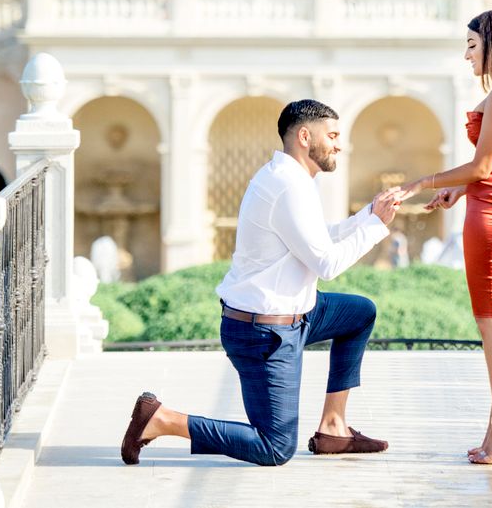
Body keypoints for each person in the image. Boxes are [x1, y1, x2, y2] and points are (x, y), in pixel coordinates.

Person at [120, 99, 401, 466]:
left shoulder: (289, 179)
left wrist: (368, 216)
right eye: (332, 135)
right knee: (275, 448)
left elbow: (319, 238)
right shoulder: (288, 187)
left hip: (296, 314)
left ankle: (334, 428)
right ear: (304, 136)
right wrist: (377, 227)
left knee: (359, 313)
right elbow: (327, 263)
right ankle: (161, 419)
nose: (338, 145)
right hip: (263, 334)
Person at [399, 9, 492, 465]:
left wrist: (426, 181)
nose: (466, 54)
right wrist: (457, 192)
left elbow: (485, 167)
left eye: (472, 45)